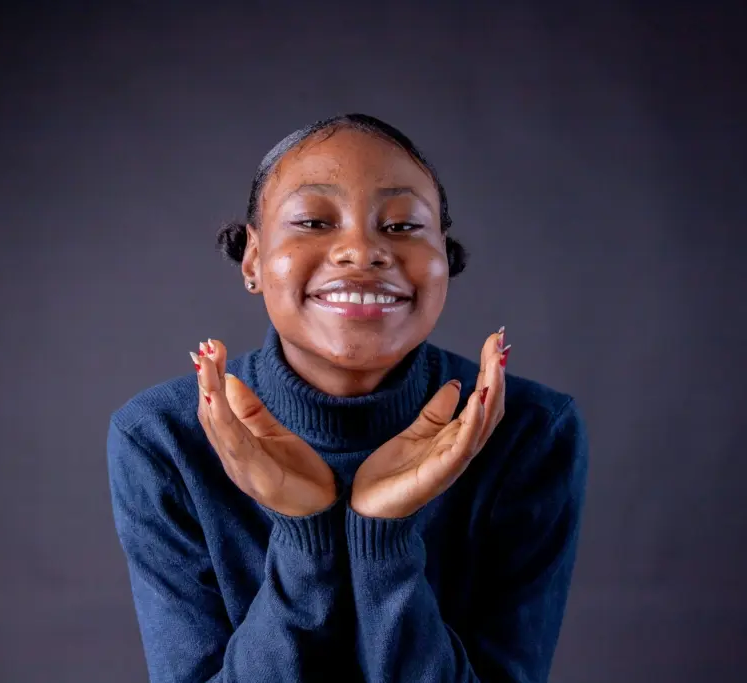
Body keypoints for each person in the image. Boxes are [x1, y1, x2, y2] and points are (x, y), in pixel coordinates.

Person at [106, 113, 589, 683]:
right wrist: (305, 536)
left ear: (445, 262)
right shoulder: (163, 439)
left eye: (404, 226)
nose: (361, 251)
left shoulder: (530, 432)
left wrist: (383, 537)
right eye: (313, 220)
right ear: (253, 260)